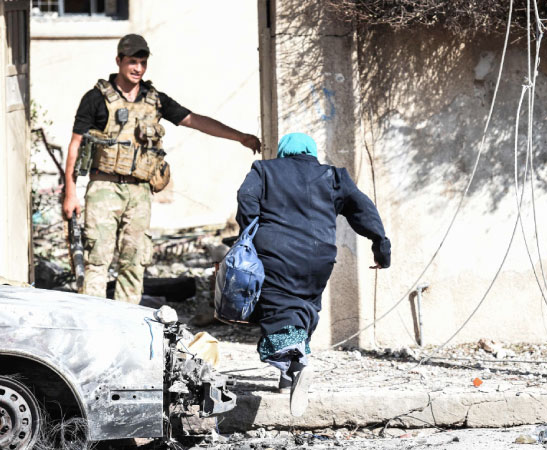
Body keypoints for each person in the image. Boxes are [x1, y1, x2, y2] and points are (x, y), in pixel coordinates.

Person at [62, 34, 261, 303]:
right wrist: (70, 193)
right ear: (119, 61)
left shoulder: (154, 99)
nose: (138, 68)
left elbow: (195, 120)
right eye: (132, 62)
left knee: (134, 260)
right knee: (97, 258)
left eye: (142, 63)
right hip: (104, 188)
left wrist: (240, 137)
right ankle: (92, 322)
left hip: (140, 191)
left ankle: (126, 323)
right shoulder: (96, 98)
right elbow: (75, 145)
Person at [236, 132, 391, 416]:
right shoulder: (334, 176)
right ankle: (289, 377)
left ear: (283, 151)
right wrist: (381, 246)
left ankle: (297, 362)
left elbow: (246, 199)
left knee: (277, 309)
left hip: (275, 253)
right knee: (305, 306)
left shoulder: (264, 170)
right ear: (311, 151)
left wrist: (248, 236)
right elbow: (362, 208)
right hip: (319, 256)